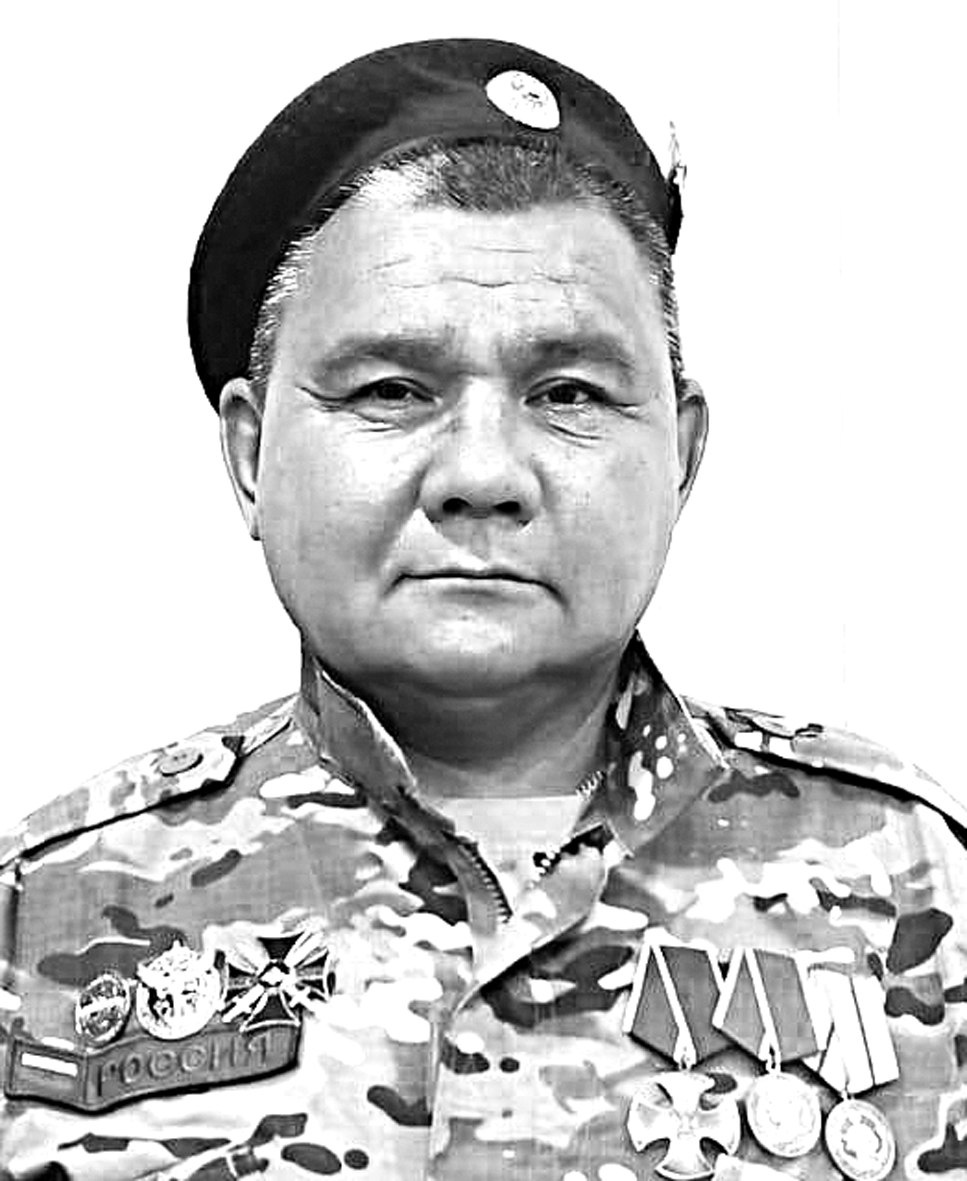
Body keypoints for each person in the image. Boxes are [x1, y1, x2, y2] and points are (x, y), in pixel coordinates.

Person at [0, 37, 964, 1181]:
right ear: (252, 456)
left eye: (568, 392)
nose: (482, 473)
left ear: (682, 452)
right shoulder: (43, 911)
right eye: (391, 390)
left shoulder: (918, 875)